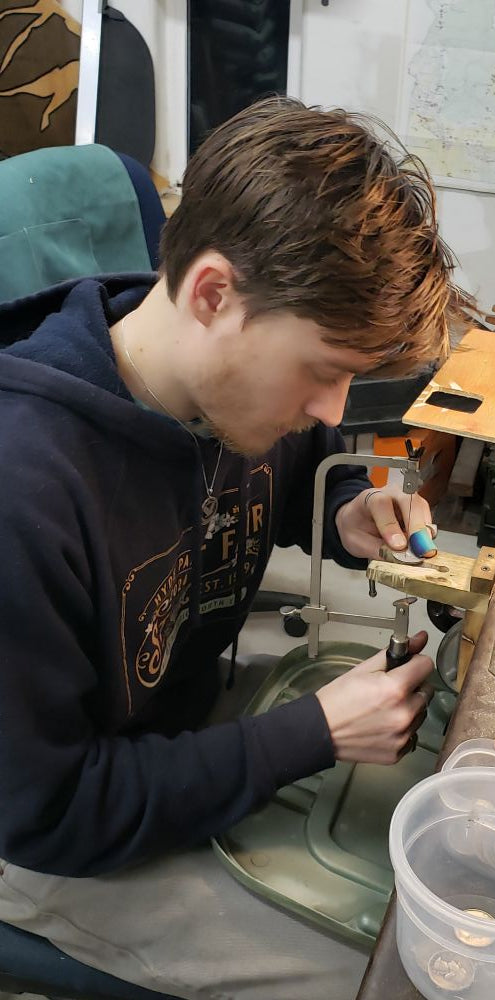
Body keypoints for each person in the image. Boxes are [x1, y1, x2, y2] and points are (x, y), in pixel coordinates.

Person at [0, 97, 464, 999]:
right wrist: (313, 735)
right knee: (406, 976)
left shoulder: (222, 383)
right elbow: (47, 810)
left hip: (183, 739)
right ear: (213, 292)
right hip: (51, 838)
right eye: (324, 372)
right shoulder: (25, 490)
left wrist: (341, 509)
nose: (334, 411)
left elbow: (276, 470)